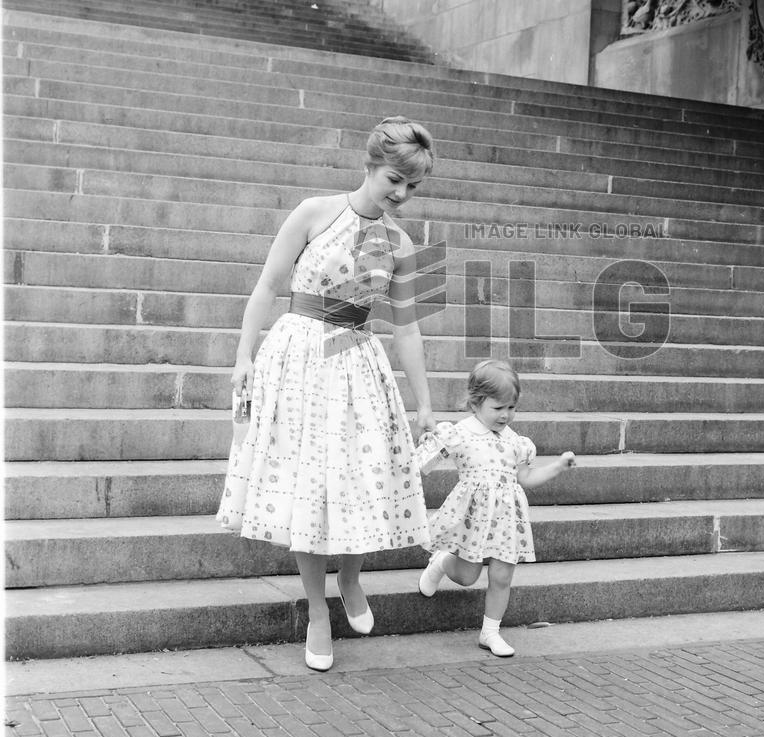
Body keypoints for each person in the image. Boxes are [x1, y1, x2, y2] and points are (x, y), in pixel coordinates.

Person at [217, 117, 438, 672]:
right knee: (309, 484)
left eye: (412, 187)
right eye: (395, 179)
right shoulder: (313, 212)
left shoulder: (401, 244)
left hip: (357, 361)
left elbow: (407, 328)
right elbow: (268, 286)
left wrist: (425, 402)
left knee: (360, 478)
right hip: (296, 358)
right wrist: (244, 357)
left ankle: (351, 578)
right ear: (370, 164)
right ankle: (318, 610)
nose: (402, 194)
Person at [414, 359, 577, 658]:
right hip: (473, 517)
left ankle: (490, 632)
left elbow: (526, 478)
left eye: (511, 407)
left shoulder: (517, 442)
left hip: (506, 519)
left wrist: (557, 467)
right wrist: (427, 444)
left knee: (502, 576)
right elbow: (423, 465)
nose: (506, 415)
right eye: (498, 408)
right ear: (476, 403)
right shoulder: (460, 433)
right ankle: (440, 563)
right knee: (467, 576)